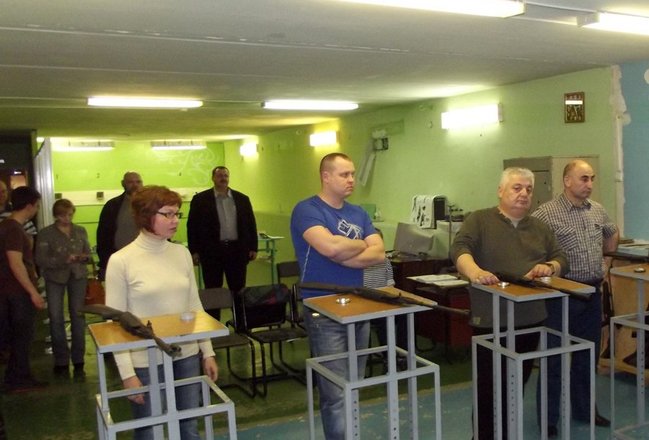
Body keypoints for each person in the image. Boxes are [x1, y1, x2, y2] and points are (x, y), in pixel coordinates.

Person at [450, 167, 568, 440]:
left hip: (530, 319)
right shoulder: (479, 220)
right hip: (491, 320)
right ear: (500, 190)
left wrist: (550, 267)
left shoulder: (540, 227)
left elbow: (561, 257)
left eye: (528, 189)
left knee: (516, 385)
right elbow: (459, 248)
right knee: (488, 389)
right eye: (517, 188)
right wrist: (475, 272)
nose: (524, 193)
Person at [105, 185, 218, 440]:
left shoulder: (182, 253)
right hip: (145, 361)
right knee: (149, 430)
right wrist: (127, 374)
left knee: (189, 427)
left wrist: (207, 351)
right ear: (145, 216)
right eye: (167, 214)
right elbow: (116, 324)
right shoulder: (121, 261)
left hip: (186, 354)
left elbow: (194, 306)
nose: (175, 220)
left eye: (177, 214)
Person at [290, 152, 385, 439]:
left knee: (354, 384)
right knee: (334, 391)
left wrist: (344, 250)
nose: (351, 180)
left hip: (358, 306)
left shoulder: (359, 213)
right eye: (345, 174)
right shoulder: (307, 210)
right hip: (323, 308)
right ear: (326, 176)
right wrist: (359, 244)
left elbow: (379, 253)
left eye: (352, 174)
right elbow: (329, 248)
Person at [532, 159, 618, 435]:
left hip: (591, 294)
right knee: (554, 359)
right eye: (583, 178)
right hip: (561, 295)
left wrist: (606, 264)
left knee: (587, 356)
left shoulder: (597, 210)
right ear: (567, 181)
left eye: (591, 178)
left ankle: (584, 410)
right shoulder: (546, 213)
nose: (589, 184)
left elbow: (611, 232)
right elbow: (531, 247)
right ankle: (549, 420)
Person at [187, 166, 258, 318]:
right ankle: (213, 323)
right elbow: (192, 227)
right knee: (213, 290)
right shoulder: (200, 200)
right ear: (213, 178)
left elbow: (251, 224)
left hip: (237, 251)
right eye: (219, 175)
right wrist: (194, 251)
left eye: (225, 175)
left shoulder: (242, 199)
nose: (223, 178)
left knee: (238, 289)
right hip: (211, 252)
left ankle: (241, 322)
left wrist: (253, 247)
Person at [35, 199, 91, 378]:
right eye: (62, 215)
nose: (67, 219)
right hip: (55, 277)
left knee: (78, 316)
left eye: (70, 215)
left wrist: (84, 257)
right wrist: (63, 260)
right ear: (56, 216)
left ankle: (79, 358)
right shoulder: (46, 233)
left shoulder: (80, 230)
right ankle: (61, 360)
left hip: (78, 275)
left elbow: (88, 253)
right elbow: (40, 259)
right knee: (56, 317)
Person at [0, 186, 47, 393]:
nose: (37, 210)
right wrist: (32, 292)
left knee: (18, 337)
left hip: (11, 292)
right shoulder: (14, 229)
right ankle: (18, 378)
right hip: (16, 293)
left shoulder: (7, 226)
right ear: (29, 206)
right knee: (22, 337)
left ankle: (17, 376)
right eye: (36, 206)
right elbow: (16, 263)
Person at [96, 171, 143, 279]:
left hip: (146, 259)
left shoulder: (152, 205)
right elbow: (103, 235)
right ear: (123, 183)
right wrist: (105, 260)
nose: (135, 185)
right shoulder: (112, 206)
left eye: (138, 182)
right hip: (119, 260)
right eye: (130, 182)